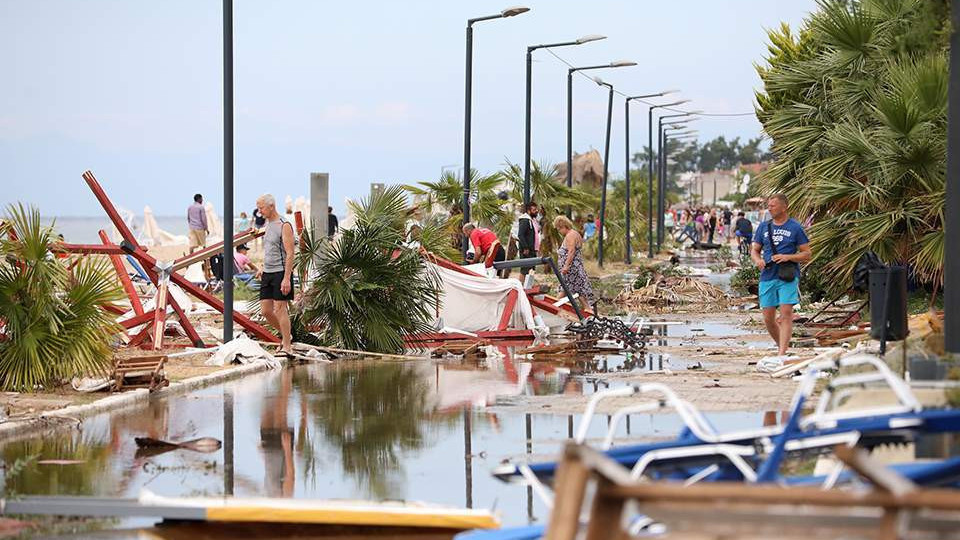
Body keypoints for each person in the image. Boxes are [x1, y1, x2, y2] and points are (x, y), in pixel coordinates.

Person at [751, 193, 811, 357]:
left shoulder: (795, 227)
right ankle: (782, 348)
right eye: (769, 206)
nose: (769, 208)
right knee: (768, 319)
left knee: (786, 314)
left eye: (773, 205)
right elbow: (755, 250)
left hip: (787, 276)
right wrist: (758, 260)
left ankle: (782, 353)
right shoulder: (764, 227)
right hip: (768, 275)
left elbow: (807, 254)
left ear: (784, 207)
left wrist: (788, 257)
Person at [255, 194, 296, 356]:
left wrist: (286, 278)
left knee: (280, 309)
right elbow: (271, 250)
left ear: (271, 206)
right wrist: (263, 267)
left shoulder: (284, 225)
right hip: (268, 272)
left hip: (280, 272)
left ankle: (287, 345)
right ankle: (287, 335)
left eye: (261, 208)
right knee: (265, 310)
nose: (259, 211)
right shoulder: (268, 224)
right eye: (258, 208)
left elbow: (290, 253)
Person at [553, 215, 593, 313]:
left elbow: (571, 251)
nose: (559, 232)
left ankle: (553, 308)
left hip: (571, 270)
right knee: (570, 289)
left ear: (563, 226)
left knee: (572, 289)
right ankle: (554, 307)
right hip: (573, 268)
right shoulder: (574, 234)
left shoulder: (570, 235)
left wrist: (566, 266)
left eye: (559, 229)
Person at [187, 193, 212, 282]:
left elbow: (188, 218)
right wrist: (206, 228)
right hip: (200, 227)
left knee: (192, 244)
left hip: (192, 227)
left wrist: (190, 225)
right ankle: (204, 258)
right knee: (203, 244)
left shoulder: (190, 207)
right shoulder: (201, 207)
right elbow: (203, 219)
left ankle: (190, 257)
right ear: (199, 199)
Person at [517, 201, 541, 276]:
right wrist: (525, 247)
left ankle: (528, 286)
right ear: (528, 211)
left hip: (532, 249)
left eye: (536, 210)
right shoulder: (525, 220)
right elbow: (520, 235)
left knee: (531, 270)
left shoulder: (532, 220)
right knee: (525, 270)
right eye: (534, 210)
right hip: (526, 250)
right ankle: (521, 286)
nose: (536, 211)